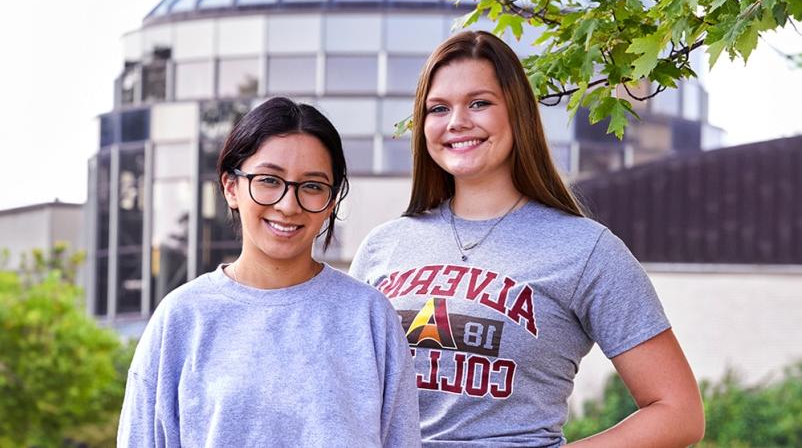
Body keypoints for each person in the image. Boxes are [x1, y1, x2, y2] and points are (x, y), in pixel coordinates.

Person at [349, 31, 705, 447]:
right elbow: (345, 395)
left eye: (479, 103)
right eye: (438, 108)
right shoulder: (383, 246)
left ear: (516, 112)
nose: (457, 121)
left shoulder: (585, 250)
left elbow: (679, 412)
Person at [118, 97, 421, 447]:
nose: (287, 205)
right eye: (269, 180)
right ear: (231, 187)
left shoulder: (369, 317)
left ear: (332, 202)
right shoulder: (182, 318)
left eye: (312, 186)